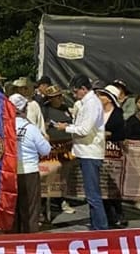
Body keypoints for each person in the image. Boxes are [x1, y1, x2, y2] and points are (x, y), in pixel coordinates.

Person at [52, 75, 107, 231]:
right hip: (85, 151)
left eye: (76, 92)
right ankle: (97, 225)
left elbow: (84, 130)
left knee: (93, 195)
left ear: (84, 89)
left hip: (90, 152)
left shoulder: (92, 104)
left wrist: (66, 128)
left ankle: (101, 228)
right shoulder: (88, 103)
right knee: (91, 194)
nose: (74, 95)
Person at [10, 94, 51, 234]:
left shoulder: (5, 128)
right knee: (31, 211)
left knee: (14, 211)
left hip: (10, 173)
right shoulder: (31, 128)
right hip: (29, 172)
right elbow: (45, 150)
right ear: (25, 109)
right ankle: (30, 244)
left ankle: (13, 243)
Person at [96, 85, 126, 228]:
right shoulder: (97, 112)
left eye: (102, 95)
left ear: (109, 99)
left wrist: (110, 135)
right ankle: (107, 215)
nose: (99, 97)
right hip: (99, 153)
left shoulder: (118, 114)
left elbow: (122, 133)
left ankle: (118, 213)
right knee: (102, 185)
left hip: (114, 154)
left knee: (113, 185)